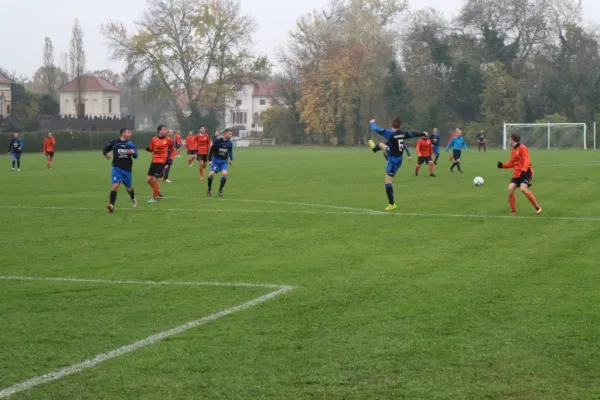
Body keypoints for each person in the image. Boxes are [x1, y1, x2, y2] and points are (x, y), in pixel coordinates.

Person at [368, 117, 427, 211]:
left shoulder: (390, 133)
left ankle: (392, 204)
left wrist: (372, 123)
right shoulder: (403, 133)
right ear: (399, 126)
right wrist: (423, 133)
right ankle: (376, 150)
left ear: (392, 126)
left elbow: (377, 129)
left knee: (387, 182)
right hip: (399, 159)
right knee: (382, 145)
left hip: (392, 159)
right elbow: (413, 134)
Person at [498, 132, 542, 215]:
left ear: (512, 139)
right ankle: (513, 210)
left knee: (523, 189)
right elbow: (511, 163)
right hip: (517, 174)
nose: (509, 141)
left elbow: (527, 160)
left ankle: (537, 207)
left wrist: (523, 170)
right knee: (510, 189)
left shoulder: (523, 148)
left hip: (526, 172)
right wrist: (502, 165)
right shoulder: (513, 150)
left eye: (510, 139)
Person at [102, 128, 138, 213]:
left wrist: (133, 152)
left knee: (128, 189)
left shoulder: (130, 144)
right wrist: (106, 154)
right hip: (116, 168)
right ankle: (111, 205)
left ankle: (133, 198)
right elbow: (105, 149)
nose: (130, 134)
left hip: (127, 169)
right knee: (115, 187)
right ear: (123, 134)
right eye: (128, 132)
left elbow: (136, 156)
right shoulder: (115, 143)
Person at [146, 125, 173, 203]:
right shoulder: (154, 139)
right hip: (154, 161)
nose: (166, 131)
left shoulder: (168, 140)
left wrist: (169, 159)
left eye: (166, 129)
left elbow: (172, 148)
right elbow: (151, 149)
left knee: (154, 180)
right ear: (159, 131)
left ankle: (154, 198)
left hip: (162, 162)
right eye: (164, 129)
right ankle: (158, 193)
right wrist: (148, 149)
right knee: (148, 180)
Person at [207, 129, 234, 197]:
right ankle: (209, 189)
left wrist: (231, 159)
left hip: (224, 162)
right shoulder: (218, 141)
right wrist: (210, 160)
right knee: (211, 174)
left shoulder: (230, 143)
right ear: (225, 134)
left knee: (225, 174)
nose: (231, 135)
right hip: (215, 161)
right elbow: (211, 150)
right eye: (230, 134)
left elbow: (230, 151)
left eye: (231, 134)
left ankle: (220, 190)